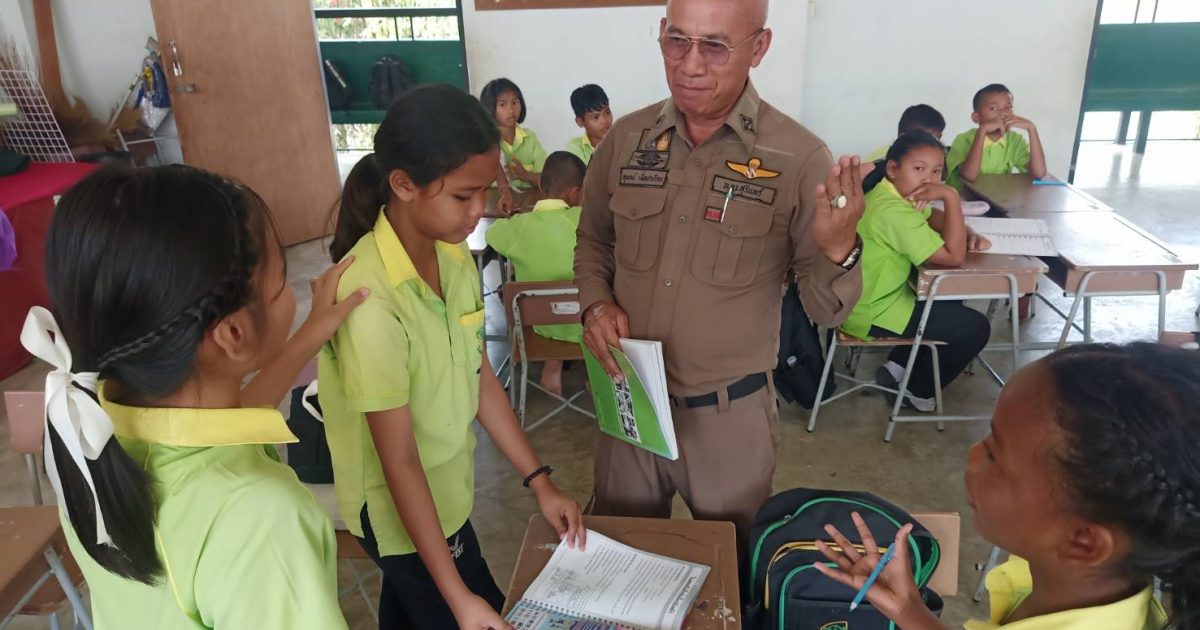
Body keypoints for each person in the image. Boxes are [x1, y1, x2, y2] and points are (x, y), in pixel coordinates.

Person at [574, 0, 869, 541]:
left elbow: (827, 311)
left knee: (733, 565)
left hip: (728, 419)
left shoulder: (798, 157)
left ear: (759, 47)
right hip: (631, 400)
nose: (690, 65)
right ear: (661, 33)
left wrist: (838, 249)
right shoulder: (627, 140)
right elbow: (594, 239)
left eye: (714, 46)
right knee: (622, 557)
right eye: (677, 41)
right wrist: (596, 304)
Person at [23, 164, 360, 628]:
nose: (291, 295)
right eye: (282, 280)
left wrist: (310, 335)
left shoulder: (86, 429)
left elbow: (218, 428)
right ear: (234, 332)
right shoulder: (260, 518)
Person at [319, 84, 585, 630]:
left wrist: (540, 481)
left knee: (413, 608)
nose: (479, 210)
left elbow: (479, 376)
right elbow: (398, 461)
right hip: (398, 508)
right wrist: (459, 596)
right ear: (403, 185)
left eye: (484, 191)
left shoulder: (453, 255)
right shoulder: (370, 298)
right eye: (463, 196)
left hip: (447, 488)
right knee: (475, 605)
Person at [814, 342, 1199, 629]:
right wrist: (908, 611)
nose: (972, 455)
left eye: (994, 455)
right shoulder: (1094, 590)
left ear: (1083, 542)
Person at [846, 131, 992, 412]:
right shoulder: (892, 211)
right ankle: (915, 391)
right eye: (919, 169)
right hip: (872, 311)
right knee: (975, 328)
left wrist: (965, 229)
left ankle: (898, 366)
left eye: (936, 171)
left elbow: (931, 216)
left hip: (872, 298)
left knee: (949, 297)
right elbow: (953, 256)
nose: (929, 179)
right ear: (893, 168)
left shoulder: (890, 192)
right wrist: (950, 196)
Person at [486, 151, 587, 395]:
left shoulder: (520, 227)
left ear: (541, 186)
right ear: (576, 192)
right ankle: (594, 371)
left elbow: (491, 234)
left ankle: (552, 365)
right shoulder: (583, 221)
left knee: (546, 302)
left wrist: (515, 218)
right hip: (585, 323)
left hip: (539, 326)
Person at [946, 83, 1047, 189]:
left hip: (996, 195)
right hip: (964, 197)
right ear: (976, 117)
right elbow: (970, 176)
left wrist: (1032, 129)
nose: (1003, 113)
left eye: (1007, 107)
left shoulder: (1014, 140)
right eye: (993, 108)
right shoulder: (964, 139)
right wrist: (982, 131)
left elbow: (1039, 174)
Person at [481, 77, 548, 194]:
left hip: (530, 201)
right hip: (496, 202)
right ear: (490, 107)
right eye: (502, 104)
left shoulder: (530, 138)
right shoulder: (484, 142)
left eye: (515, 103)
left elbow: (548, 180)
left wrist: (526, 175)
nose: (511, 110)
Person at [865, 104, 946, 161]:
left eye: (938, 140)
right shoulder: (880, 163)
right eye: (927, 142)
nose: (936, 147)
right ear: (903, 139)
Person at [565, 84, 613, 165]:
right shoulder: (575, 148)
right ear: (580, 122)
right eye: (596, 117)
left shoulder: (622, 140)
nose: (605, 121)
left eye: (607, 112)